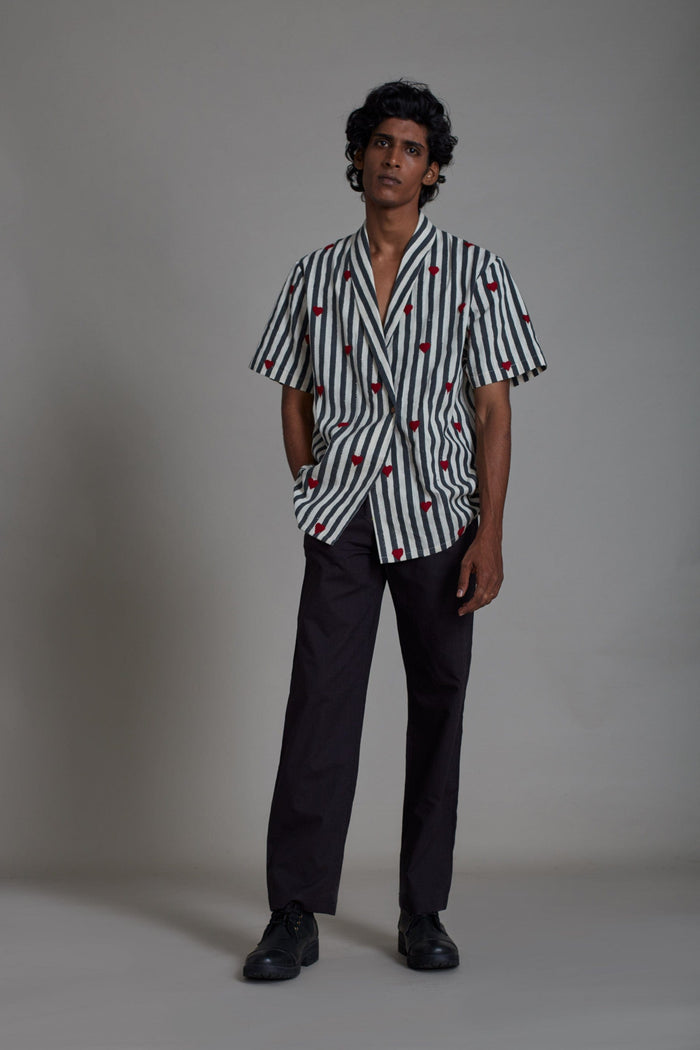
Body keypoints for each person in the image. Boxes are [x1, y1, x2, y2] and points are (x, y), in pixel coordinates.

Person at [243, 80, 547, 979]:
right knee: (319, 705)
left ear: (433, 170)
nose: (393, 158)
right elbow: (293, 394)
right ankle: (293, 912)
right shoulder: (315, 274)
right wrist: (315, 485)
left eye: (412, 148)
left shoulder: (475, 271)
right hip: (343, 515)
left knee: (439, 705)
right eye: (381, 142)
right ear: (358, 156)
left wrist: (490, 535)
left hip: (440, 515)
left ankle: (424, 910)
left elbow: (493, 411)